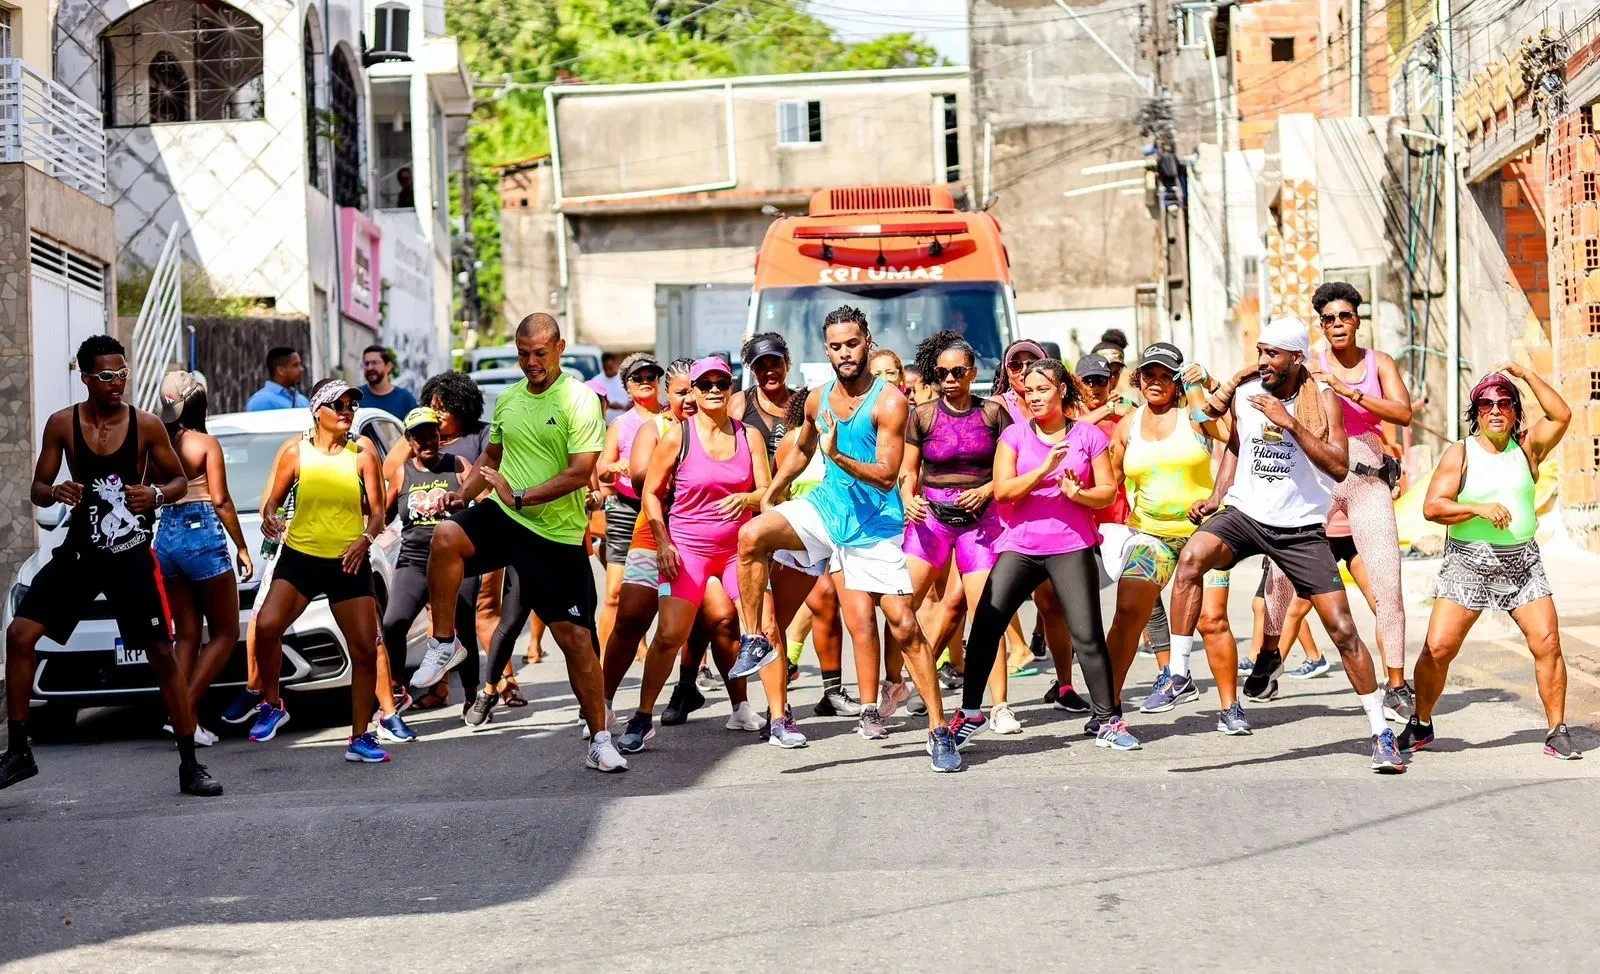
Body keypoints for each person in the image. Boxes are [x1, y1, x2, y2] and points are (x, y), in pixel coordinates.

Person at [732, 305, 963, 772]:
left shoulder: (890, 401)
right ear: (826, 349)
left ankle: (940, 731)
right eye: (835, 346)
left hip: (874, 524)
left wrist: (838, 455)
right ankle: (754, 638)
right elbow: (801, 449)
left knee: (902, 624)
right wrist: (772, 493)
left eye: (852, 343)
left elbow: (884, 475)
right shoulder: (817, 399)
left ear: (867, 342)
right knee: (752, 535)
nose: (844, 353)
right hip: (826, 510)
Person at [1175, 318, 1404, 773]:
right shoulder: (1247, 391)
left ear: (1296, 358)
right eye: (1260, 352)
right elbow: (1233, 445)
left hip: (1300, 527)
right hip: (1246, 514)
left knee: (1341, 627)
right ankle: (1178, 673)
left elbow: (1339, 468)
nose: (1262, 362)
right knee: (1191, 559)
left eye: (1272, 354)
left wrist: (1291, 423)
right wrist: (1217, 498)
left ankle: (1381, 731)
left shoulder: (1323, 399)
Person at [1, 337, 218, 796]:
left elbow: (179, 479)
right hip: (80, 555)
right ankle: (19, 752)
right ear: (84, 377)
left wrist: (156, 494)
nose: (116, 383)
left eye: (121, 374)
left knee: (162, 653)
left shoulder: (147, 425)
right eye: (105, 375)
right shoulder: (63, 425)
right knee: (19, 635)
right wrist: (56, 491)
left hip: (130, 558)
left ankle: (189, 763)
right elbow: (39, 486)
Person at [419, 313, 626, 772]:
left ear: (559, 348)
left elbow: (578, 471)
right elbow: (492, 456)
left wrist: (522, 495)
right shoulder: (509, 400)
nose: (530, 362)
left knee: (576, 641)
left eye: (539, 353)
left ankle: (600, 739)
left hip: (554, 534)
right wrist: (460, 495)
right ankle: (444, 641)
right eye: (523, 353)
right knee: (447, 535)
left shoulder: (577, 399)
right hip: (507, 516)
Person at [947, 359, 1127, 750]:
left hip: (1071, 544)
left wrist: (1078, 494)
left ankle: (1107, 718)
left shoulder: (1088, 435)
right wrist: (1045, 468)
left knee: (1087, 635)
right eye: (1029, 391)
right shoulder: (1013, 436)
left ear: (1061, 390)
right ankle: (971, 713)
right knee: (985, 627)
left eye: (1042, 389)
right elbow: (1003, 490)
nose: (1034, 396)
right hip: (1021, 547)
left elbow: (1108, 492)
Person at [1260, 281, 1414, 718]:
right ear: (1321, 327)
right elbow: (1272, 402)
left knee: (1388, 584)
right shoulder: (1308, 367)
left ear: (1357, 320)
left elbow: (1403, 413)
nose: (1337, 324)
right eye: (1328, 319)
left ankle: (1397, 684)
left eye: (1344, 316)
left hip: (1367, 476)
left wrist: (1349, 392)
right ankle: (1270, 655)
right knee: (1280, 572)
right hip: (1322, 475)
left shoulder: (1377, 362)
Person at [1407, 365, 1577, 759]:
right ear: (1476, 411)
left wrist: (1527, 375)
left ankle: (1557, 729)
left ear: (1516, 411)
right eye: (1487, 404)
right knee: (1438, 648)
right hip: (1469, 563)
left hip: (1522, 563)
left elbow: (1563, 415)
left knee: (1548, 642)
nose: (1496, 410)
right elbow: (1433, 507)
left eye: (1504, 403)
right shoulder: (1461, 453)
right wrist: (1479, 510)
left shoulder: (1528, 448)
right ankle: (1420, 722)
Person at [617, 358, 770, 752]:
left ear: (732, 386)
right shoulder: (676, 436)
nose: (714, 389)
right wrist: (663, 542)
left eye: (722, 382)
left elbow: (768, 493)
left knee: (743, 625)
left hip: (737, 551)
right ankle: (641, 717)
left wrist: (748, 498)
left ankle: (768, 714)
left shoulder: (749, 435)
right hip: (687, 549)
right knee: (669, 634)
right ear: (696, 391)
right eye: (706, 384)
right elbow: (649, 492)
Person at [1098, 344, 1245, 734]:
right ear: (1139, 379)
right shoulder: (1128, 424)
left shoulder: (1194, 416)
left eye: (1166, 375)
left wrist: (1205, 386)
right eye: (1149, 375)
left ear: (1178, 380)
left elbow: (1234, 437)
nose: (1156, 382)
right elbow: (1110, 478)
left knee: (1212, 620)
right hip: (1151, 535)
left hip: (1206, 534)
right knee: (1128, 614)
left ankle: (1231, 709)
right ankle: (1108, 707)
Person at [248, 379, 393, 763]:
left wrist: (365, 540)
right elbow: (273, 504)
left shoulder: (362, 454)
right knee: (266, 626)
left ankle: (360, 736)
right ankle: (273, 703)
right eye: (339, 405)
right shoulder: (296, 453)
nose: (347, 411)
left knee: (364, 650)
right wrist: (270, 520)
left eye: (351, 405)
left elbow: (378, 512)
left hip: (348, 560)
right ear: (318, 411)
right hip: (301, 557)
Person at [897, 330, 1021, 735]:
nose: (949, 379)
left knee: (988, 614)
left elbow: (1012, 465)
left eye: (957, 371)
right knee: (900, 605)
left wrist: (987, 489)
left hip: (981, 520)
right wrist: (907, 498)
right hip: (930, 516)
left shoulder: (992, 414)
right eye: (942, 372)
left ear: (972, 373)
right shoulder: (923, 415)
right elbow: (906, 470)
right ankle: (895, 684)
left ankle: (999, 706)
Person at [730, 332, 856, 714]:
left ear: (787, 362)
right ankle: (765, 705)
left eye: (775, 362)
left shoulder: (805, 402)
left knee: (824, 600)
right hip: (752, 514)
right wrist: (759, 496)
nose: (769, 370)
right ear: (751, 369)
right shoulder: (740, 405)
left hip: (795, 514)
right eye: (760, 365)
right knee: (755, 618)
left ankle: (829, 690)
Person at [154, 372, 253, 748]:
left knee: (188, 635)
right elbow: (222, 500)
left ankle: (187, 720)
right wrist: (242, 547)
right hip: (201, 535)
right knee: (225, 633)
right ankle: (182, 712)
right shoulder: (205, 443)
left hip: (166, 538)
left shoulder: (156, 442)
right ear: (199, 403)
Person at [378, 407, 476, 737]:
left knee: (463, 625)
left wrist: (465, 503)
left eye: (431, 433)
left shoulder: (458, 466)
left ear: (440, 436)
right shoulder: (403, 473)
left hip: (456, 559)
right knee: (393, 622)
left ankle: (473, 696)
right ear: (409, 441)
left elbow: (484, 496)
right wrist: (362, 537)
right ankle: (395, 687)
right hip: (415, 560)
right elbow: (382, 512)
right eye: (418, 436)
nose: (427, 441)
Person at [994, 339, 1081, 706]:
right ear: (1006, 371)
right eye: (1016, 365)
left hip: (1051, 519)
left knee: (1052, 604)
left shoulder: (1060, 406)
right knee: (987, 605)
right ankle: (991, 704)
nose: (1023, 371)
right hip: (998, 518)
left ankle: (1064, 685)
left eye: (1032, 364)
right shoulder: (995, 408)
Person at [594, 353, 664, 656]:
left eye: (651, 377)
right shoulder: (620, 425)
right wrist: (619, 465)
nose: (646, 382)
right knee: (613, 594)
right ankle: (601, 671)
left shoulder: (673, 418)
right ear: (627, 386)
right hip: (626, 510)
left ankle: (695, 668)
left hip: (665, 510)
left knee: (679, 593)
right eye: (638, 378)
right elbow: (602, 469)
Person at [359, 344, 419, 419]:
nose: (370, 368)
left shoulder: (406, 400)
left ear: (388, 366)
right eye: (366, 364)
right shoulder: (356, 397)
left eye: (374, 363)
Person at [246, 346, 310, 411]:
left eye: (300, 364)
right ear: (281, 370)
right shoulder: (260, 401)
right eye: (295, 365)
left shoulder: (302, 400)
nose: (301, 369)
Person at [599, 352, 630, 424]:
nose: (608, 371)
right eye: (605, 369)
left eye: (610, 368)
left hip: (625, 422)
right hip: (606, 424)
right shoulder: (597, 381)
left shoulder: (626, 378)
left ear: (616, 364)